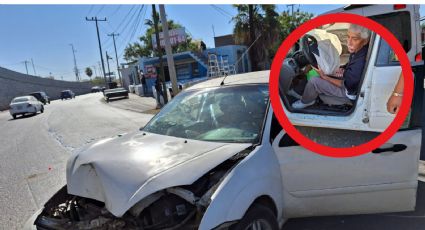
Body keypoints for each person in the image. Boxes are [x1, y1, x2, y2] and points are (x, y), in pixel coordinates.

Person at [292, 24, 371, 109]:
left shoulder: (360, 61)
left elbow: (346, 84)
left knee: (314, 81)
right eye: (348, 37)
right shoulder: (358, 52)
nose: (349, 42)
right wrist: (343, 68)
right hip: (350, 83)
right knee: (327, 73)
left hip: (349, 93)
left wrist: (325, 77)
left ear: (365, 41)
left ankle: (306, 101)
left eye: (354, 39)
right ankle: (307, 95)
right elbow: (349, 66)